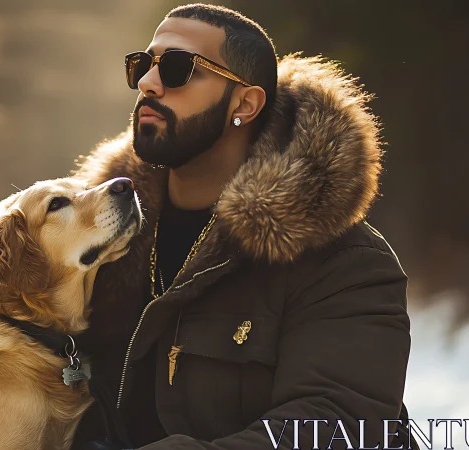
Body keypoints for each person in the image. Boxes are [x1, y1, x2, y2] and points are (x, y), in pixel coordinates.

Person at [70, 4, 412, 449]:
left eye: (177, 67)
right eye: (143, 65)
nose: (148, 83)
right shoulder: (96, 239)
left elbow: (336, 424)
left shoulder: (345, 264)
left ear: (244, 105)